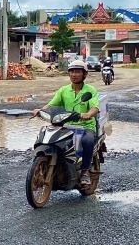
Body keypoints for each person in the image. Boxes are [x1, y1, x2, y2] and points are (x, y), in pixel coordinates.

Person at [32, 59, 100, 187]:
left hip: (85, 126)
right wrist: (40, 110)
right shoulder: (63, 90)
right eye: (72, 72)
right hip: (65, 125)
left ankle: (85, 171)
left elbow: (95, 107)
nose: (74, 75)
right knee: (50, 138)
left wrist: (88, 114)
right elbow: (52, 104)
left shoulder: (90, 91)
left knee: (88, 141)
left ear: (84, 74)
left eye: (78, 72)